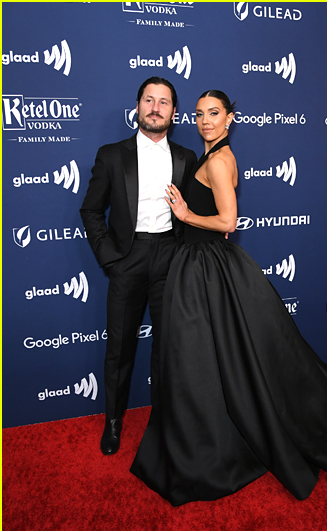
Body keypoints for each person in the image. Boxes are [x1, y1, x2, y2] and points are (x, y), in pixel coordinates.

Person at [130, 90, 327, 506]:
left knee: (198, 354)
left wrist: (186, 215)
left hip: (204, 265)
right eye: (199, 114)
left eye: (214, 113)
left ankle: (209, 441)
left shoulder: (217, 160)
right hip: (206, 265)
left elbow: (228, 221)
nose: (205, 120)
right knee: (214, 356)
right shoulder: (217, 154)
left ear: (230, 117)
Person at [80, 77, 197, 455]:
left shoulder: (186, 158)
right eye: (149, 99)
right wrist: (110, 258)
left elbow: (195, 215)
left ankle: (164, 422)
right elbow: (91, 209)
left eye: (164, 102)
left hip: (170, 258)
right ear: (137, 106)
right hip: (127, 259)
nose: (155, 107)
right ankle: (113, 422)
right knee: (119, 348)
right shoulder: (112, 154)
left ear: (174, 113)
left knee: (168, 348)